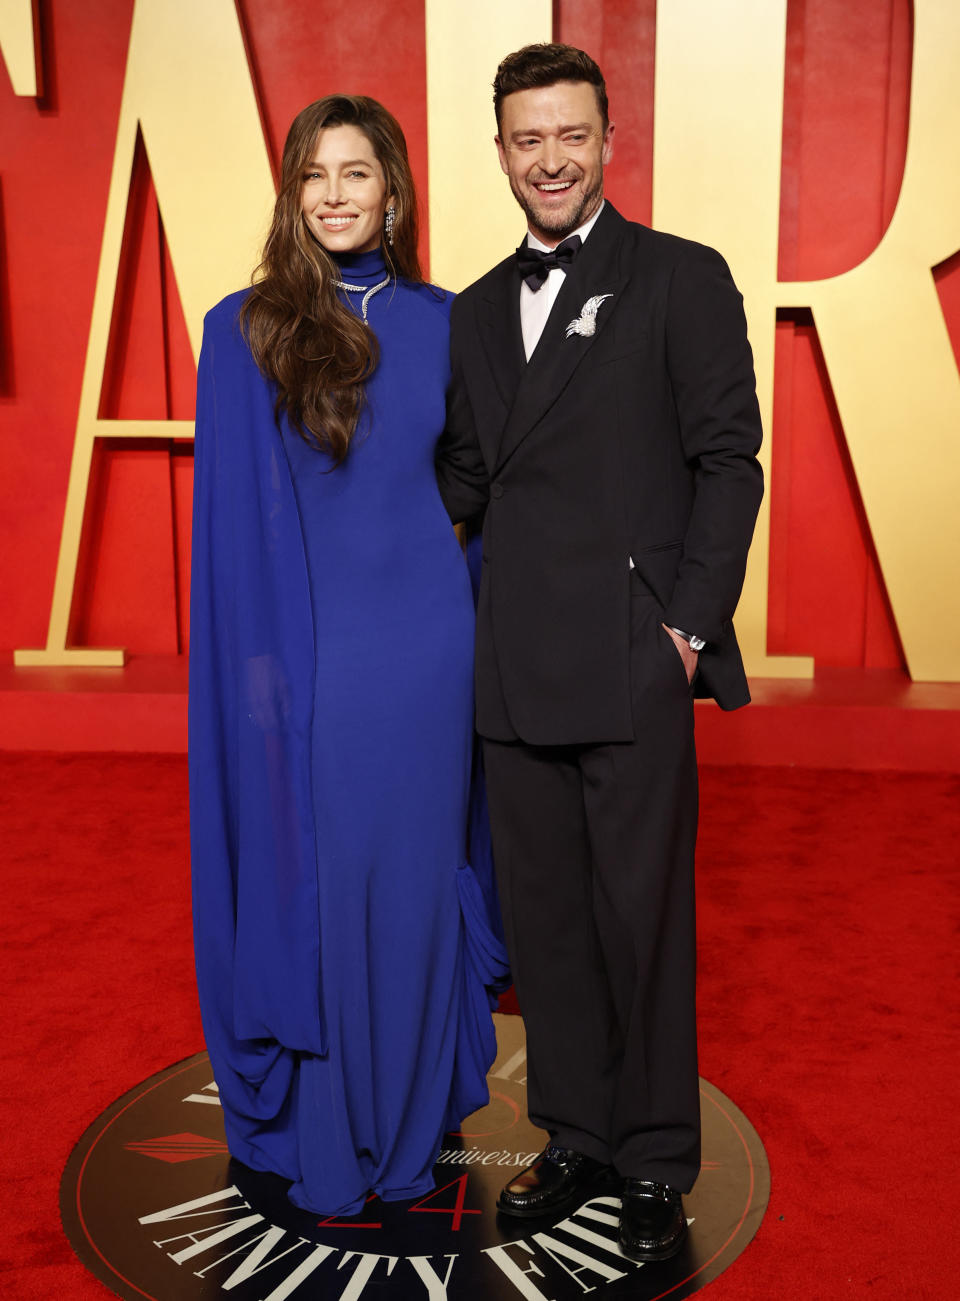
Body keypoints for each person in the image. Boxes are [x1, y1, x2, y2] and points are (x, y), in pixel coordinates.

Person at [436, 44, 763, 1261]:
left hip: (631, 653)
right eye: (529, 139)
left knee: (643, 917)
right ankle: (572, 1131)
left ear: (608, 139)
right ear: (504, 152)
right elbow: (465, 477)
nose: (552, 158)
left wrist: (682, 629)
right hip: (513, 662)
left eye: (570, 134)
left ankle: (655, 1153)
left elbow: (730, 457)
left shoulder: (679, 278)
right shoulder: (472, 310)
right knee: (551, 918)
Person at [189, 94, 507, 1218]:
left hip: (431, 650)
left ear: (394, 189)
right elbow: (230, 530)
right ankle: (333, 1132)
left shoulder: (451, 319)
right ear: (292, 187)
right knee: (323, 881)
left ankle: (415, 1117)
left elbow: (483, 490)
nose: (334, 192)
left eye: (357, 172)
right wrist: (257, 673)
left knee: (416, 880)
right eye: (315, 172)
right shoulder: (241, 329)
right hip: (311, 659)